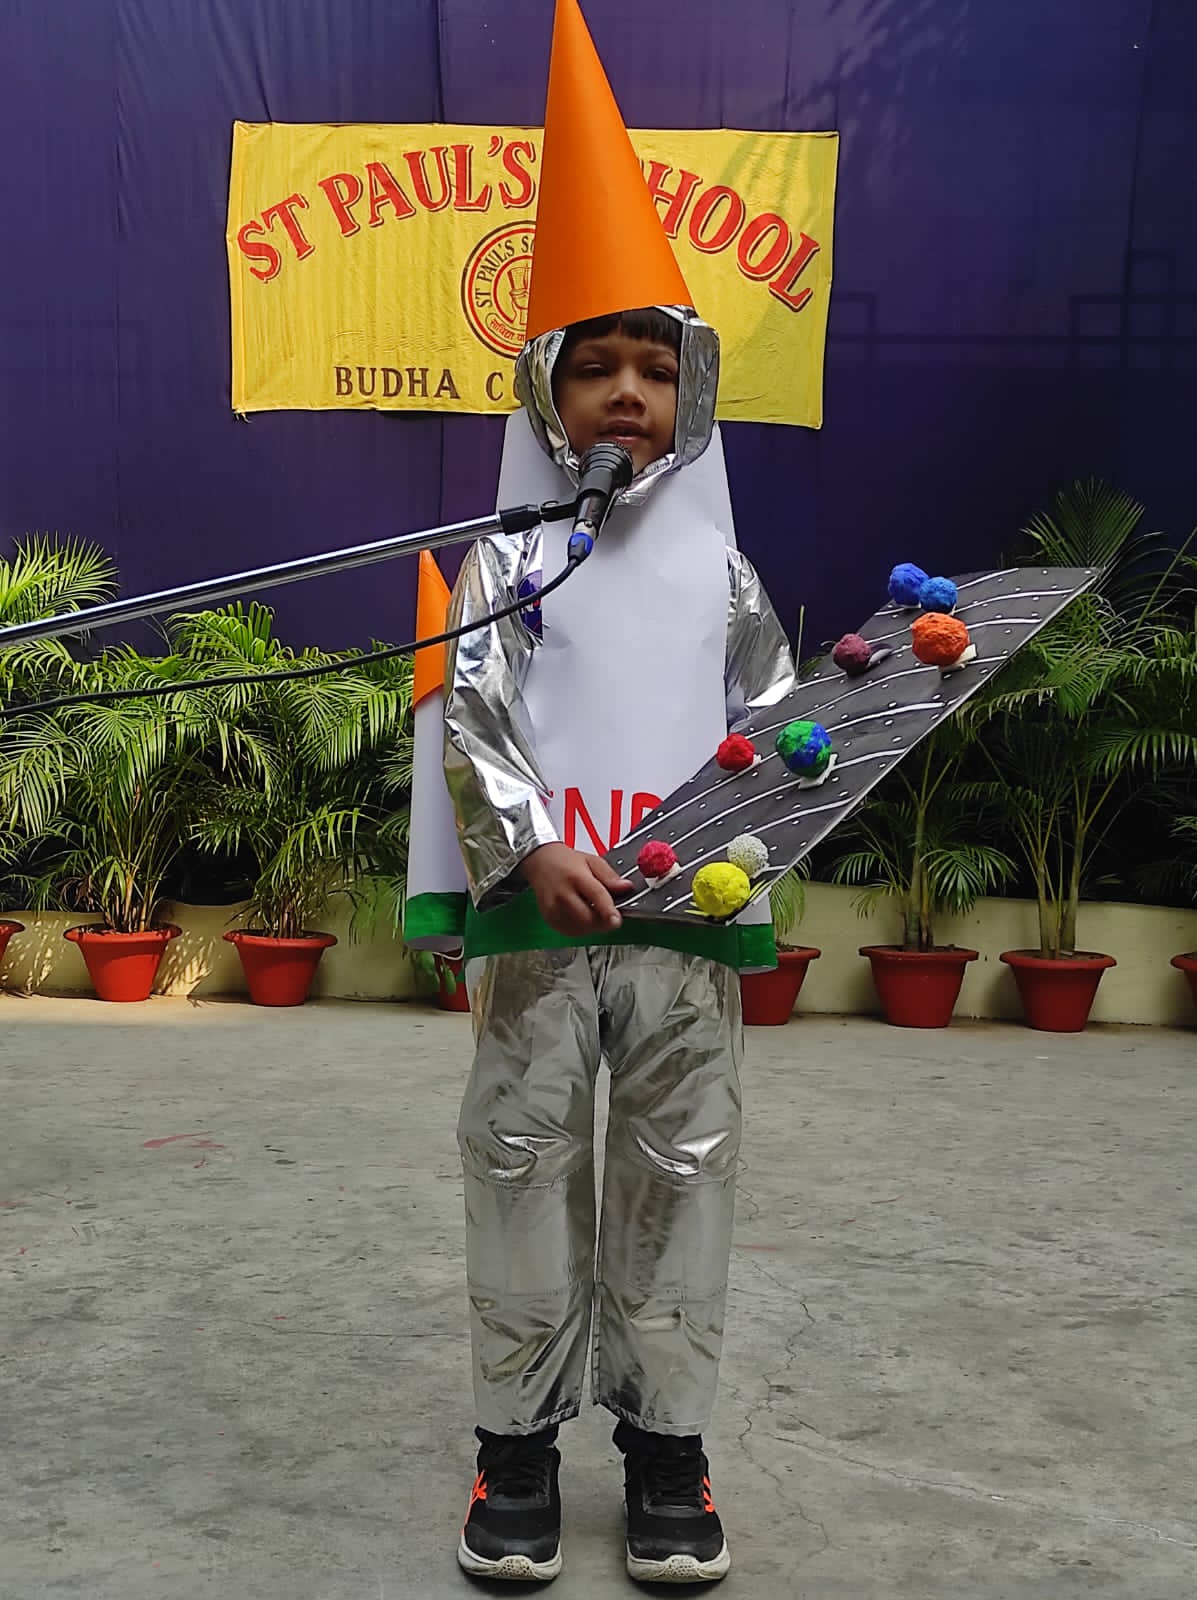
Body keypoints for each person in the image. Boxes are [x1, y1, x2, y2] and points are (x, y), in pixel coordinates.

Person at [427, 0, 795, 1585]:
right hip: (541, 924)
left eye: (655, 367)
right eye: (596, 369)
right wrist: (524, 848)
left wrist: (727, 858)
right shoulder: (509, 563)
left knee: (680, 1172)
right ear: (548, 397)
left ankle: (666, 1450)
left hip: (678, 932)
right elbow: (473, 713)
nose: (627, 392)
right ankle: (514, 1446)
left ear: (689, 395)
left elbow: (772, 727)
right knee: (518, 1161)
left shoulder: (723, 576)